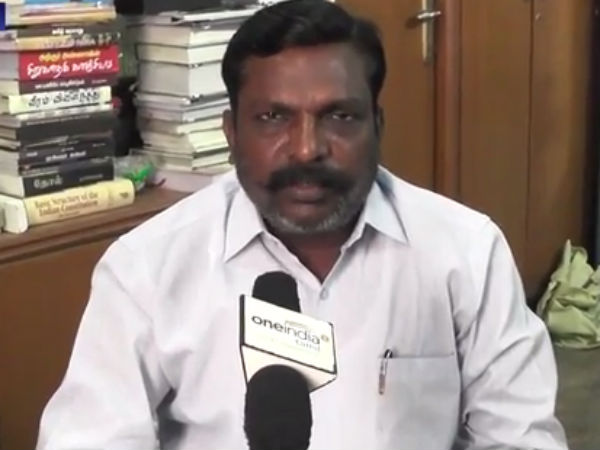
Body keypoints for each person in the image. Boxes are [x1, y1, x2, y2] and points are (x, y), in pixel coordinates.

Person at [36, 1, 567, 449]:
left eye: (339, 116)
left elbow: (520, 436)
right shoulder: (147, 268)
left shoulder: (465, 252)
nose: (307, 149)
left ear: (377, 125)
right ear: (231, 133)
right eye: (273, 118)